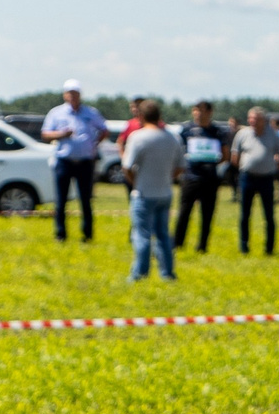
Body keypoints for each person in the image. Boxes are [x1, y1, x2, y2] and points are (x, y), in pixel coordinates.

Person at [120, 99, 181, 282]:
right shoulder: (172, 137)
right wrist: (166, 178)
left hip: (143, 193)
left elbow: (127, 166)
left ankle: (140, 273)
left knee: (142, 234)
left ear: (141, 116)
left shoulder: (138, 137)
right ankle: (167, 273)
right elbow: (180, 166)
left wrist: (135, 182)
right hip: (165, 192)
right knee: (163, 234)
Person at [39, 80, 106, 243]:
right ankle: (60, 234)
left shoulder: (91, 112)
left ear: (80, 95)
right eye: (70, 93)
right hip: (64, 161)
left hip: (85, 162)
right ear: (65, 95)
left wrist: (93, 144)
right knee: (61, 200)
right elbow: (45, 134)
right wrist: (61, 134)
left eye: (75, 93)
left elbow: (104, 129)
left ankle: (87, 234)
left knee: (85, 200)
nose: (73, 96)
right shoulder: (56, 113)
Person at [171, 99, 229, 253]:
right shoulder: (186, 130)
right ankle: (178, 243)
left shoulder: (217, 132)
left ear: (209, 112)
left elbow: (225, 154)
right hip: (190, 177)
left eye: (201, 110)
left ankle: (202, 246)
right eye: (195, 110)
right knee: (184, 212)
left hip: (210, 177)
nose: (197, 114)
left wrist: (212, 159)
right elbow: (178, 151)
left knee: (207, 214)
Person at [231, 106, 279, 254]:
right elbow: (235, 156)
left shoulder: (274, 135)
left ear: (263, 120)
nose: (252, 121)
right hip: (247, 177)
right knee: (245, 214)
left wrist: (273, 165)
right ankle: (244, 246)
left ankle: (269, 248)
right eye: (250, 118)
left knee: (269, 215)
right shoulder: (242, 134)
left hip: (267, 179)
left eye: (256, 119)